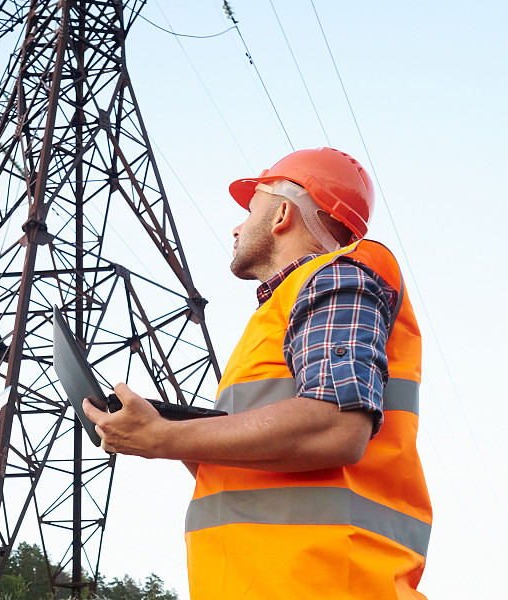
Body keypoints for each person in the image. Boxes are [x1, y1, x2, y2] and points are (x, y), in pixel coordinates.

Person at [82, 147, 432, 599]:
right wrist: (171, 429)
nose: (236, 226)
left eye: (250, 210)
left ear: (282, 213)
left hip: (324, 583)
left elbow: (337, 426)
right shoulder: (282, 314)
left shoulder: (338, 276)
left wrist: (163, 439)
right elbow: (261, 473)